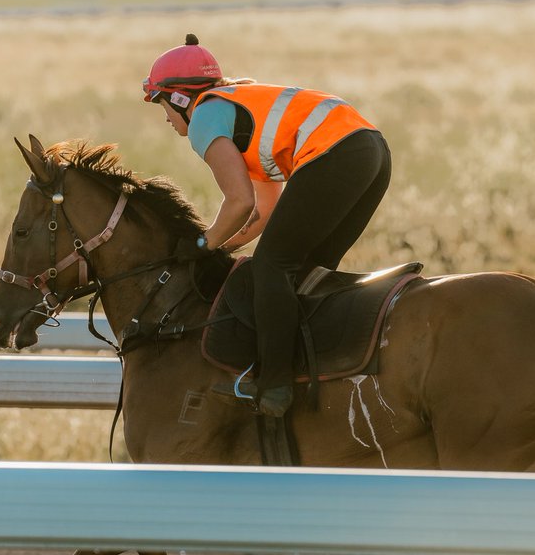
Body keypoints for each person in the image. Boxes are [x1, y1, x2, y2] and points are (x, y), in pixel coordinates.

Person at [142, 33, 392, 417]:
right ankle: (312, 366)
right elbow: (263, 210)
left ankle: (274, 386)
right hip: (371, 150)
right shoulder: (242, 110)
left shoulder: (205, 117)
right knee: (307, 270)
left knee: (273, 267)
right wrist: (224, 248)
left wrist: (202, 245)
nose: (164, 117)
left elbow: (238, 201)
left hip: (337, 153)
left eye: (161, 104)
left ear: (178, 98)